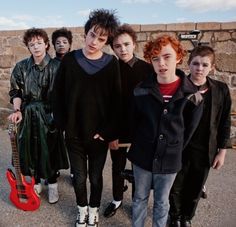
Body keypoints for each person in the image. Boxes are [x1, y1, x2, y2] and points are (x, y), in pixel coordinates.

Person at [52, 9, 121, 227]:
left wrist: (107, 132)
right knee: (79, 178)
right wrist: (63, 125)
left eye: (101, 39)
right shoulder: (70, 60)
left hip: (98, 135)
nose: (95, 41)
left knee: (96, 178)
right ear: (86, 32)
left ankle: (94, 210)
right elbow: (57, 95)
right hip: (73, 134)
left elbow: (116, 101)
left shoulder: (111, 64)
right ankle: (81, 210)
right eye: (92, 34)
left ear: (106, 42)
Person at [126, 34, 203, 227]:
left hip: (170, 159)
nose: (161, 63)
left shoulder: (192, 95)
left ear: (178, 56)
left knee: (162, 202)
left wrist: (173, 147)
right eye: (155, 58)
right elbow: (133, 122)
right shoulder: (140, 90)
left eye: (167, 56)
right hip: (142, 157)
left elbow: (190, 129)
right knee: (139, 198)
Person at [169, 46, 232, 227]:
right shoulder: (177, 87)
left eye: (205, 65)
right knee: (175, 186)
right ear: (189, 64)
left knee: (195, 186)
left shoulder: (220, 90)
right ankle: (174, 216)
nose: (199, 68)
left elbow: (224, 122)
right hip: (179, 148)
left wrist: (222, 152)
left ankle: (187, 217)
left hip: (205, 148)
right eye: (195, 63)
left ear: (212, 67)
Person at [8, 28, 69, 204]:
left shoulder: (58, 67)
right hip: (28, 114)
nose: (35, 47)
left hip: (50, 115)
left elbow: (64, 94)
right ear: (28, 47)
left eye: (39, 43)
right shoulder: (21, 67)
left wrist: (59, 117)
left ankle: (52, 185)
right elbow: (15, 91)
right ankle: (35, 182)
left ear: (46, 44)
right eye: (31, 44)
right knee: (29, 150)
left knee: (50, 150)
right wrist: (17, 110)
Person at [103, 23, 153, 218]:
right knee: (117, 167)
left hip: (141, 131)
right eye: (117, 46)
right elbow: (107, 105)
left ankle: (137, 203)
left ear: (134, 44)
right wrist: (110, 134)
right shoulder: (109, 69)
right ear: (112, 48)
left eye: (126, 44)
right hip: (117, 130)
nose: (122, 49)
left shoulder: (148, 70)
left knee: (139, 172)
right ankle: (117, 199)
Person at [51, 27, 74, 180]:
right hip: (55, 106)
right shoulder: (51, 64)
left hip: (71, 106)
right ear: (53, 45)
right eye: (58, 42)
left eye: (64, 42)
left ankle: (75, 171)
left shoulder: (75, 61)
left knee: (72, 141)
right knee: (55, 139)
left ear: (70, 44)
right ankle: (55, 167)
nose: (61, 45)